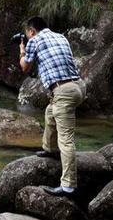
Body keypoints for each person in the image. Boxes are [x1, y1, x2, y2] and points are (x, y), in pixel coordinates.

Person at [19, 17, 86, 197]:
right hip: (79, 86)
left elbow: (25, 66)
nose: (27, 36)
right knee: (50, 112)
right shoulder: (60, 37)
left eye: (27, 33)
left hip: (63, 91)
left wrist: (22, 51)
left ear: (32, 31)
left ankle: (68, 186)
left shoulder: (34, 40)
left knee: (66, 139)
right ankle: (49, 148)